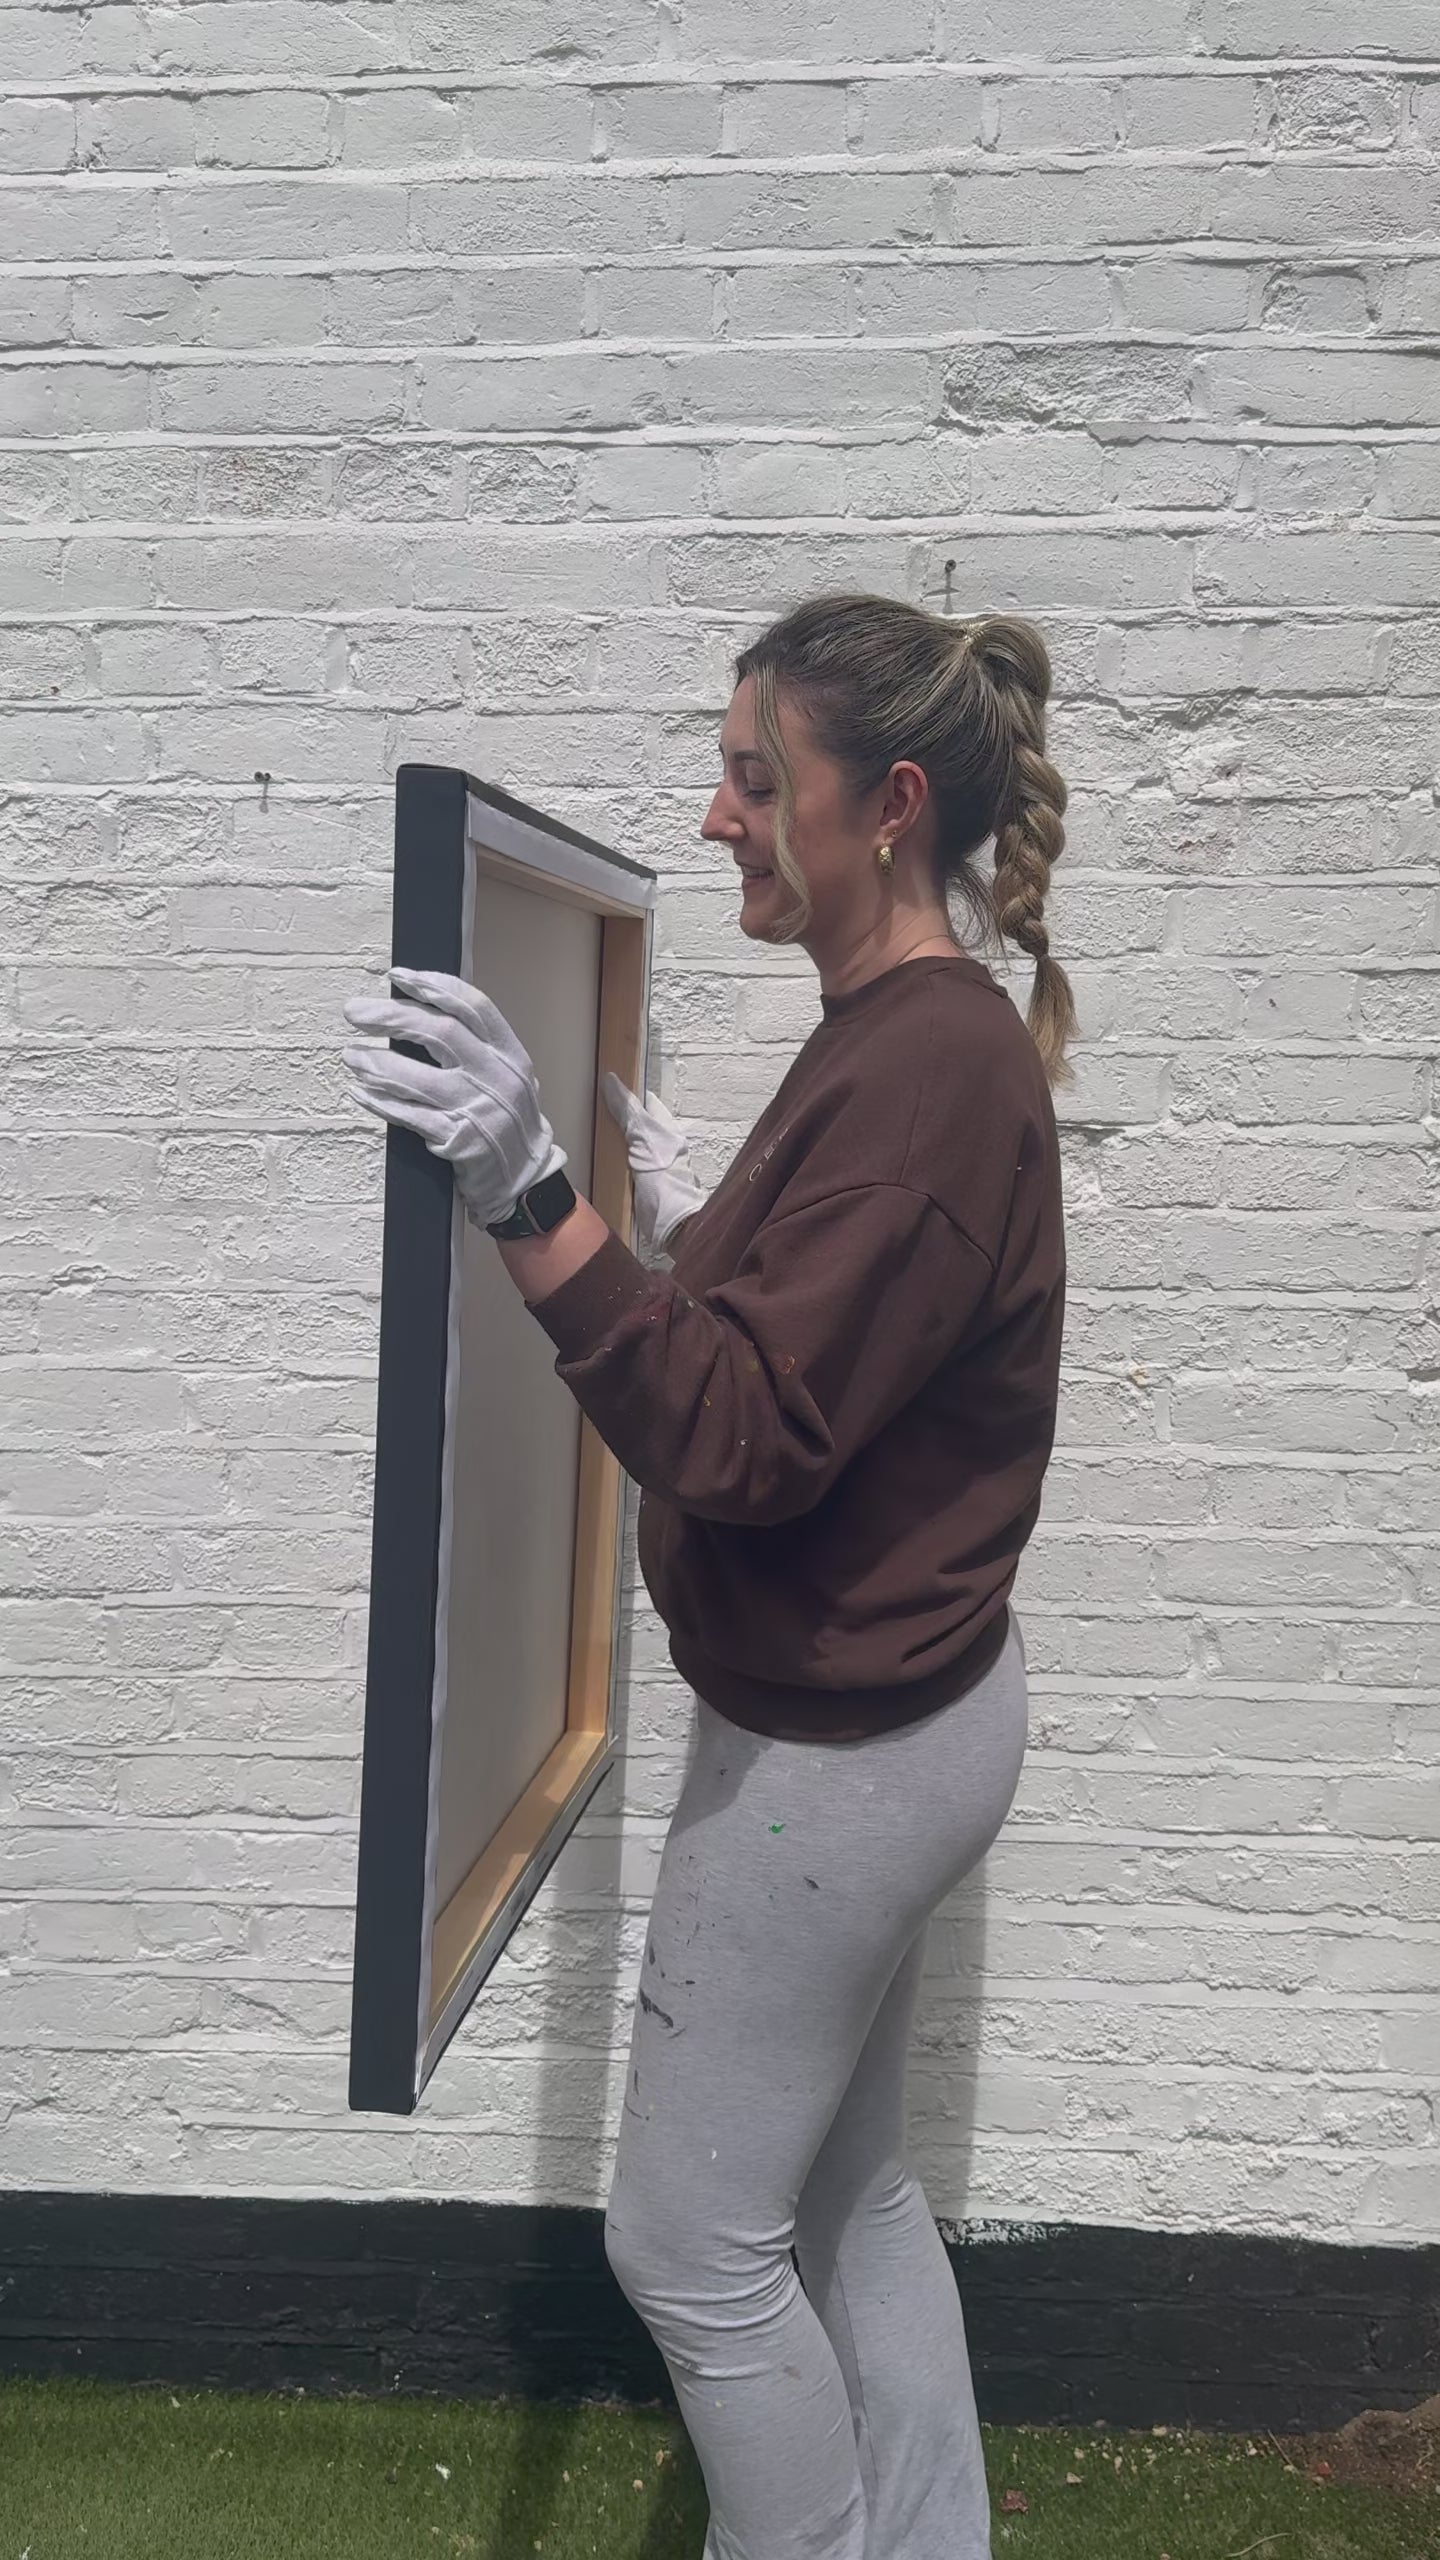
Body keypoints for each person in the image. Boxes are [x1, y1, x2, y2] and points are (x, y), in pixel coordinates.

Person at [342, 591, 1072, 2560]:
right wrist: (703, 1237)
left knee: (688, 2242)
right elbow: (837, 1334)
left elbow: (745, 1437)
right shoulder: (911, 1032)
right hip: (905, 1713)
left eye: (758, 777)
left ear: (887, 804)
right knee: (844, 2195)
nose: (718, 813)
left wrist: (535, 1194)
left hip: (843, 1753)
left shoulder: (926, 1071)